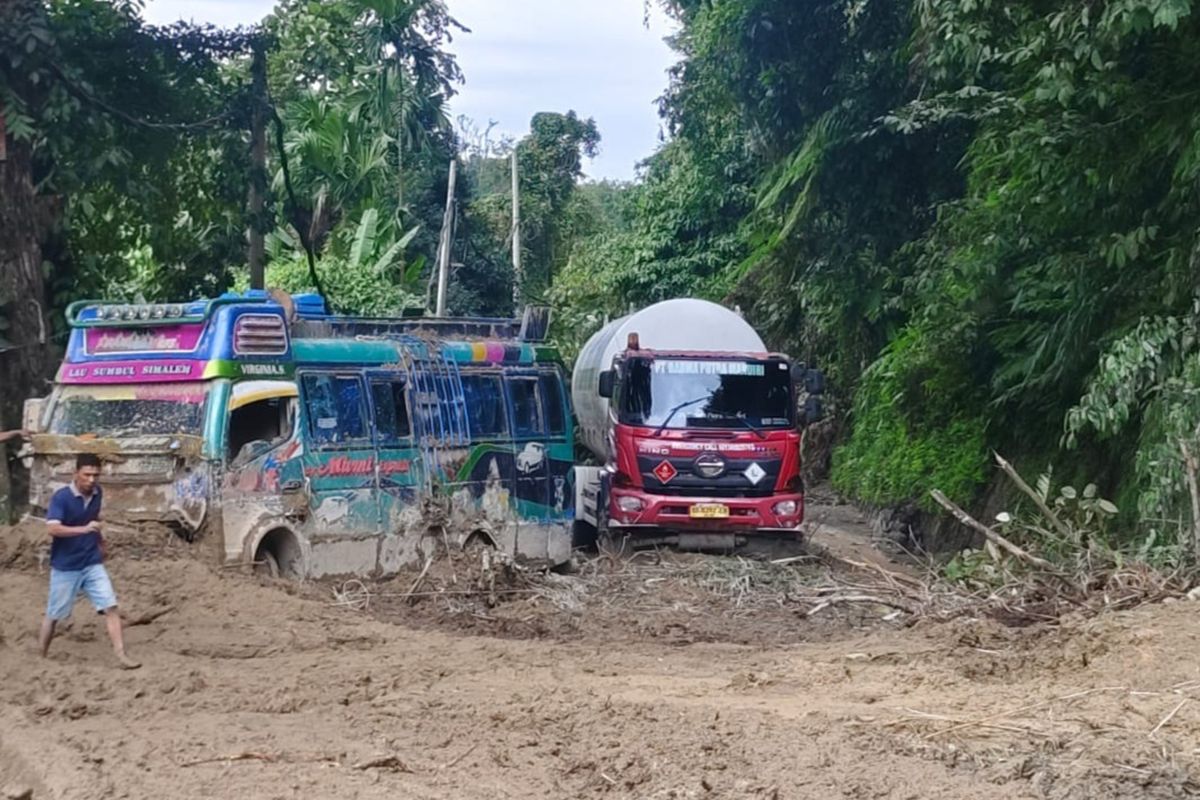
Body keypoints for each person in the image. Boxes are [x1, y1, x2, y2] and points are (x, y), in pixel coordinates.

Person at [39, 453, 140, 669]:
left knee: (110, 606)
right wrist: (83, 530)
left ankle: (121, 654)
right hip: (66, 565)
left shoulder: (97, 493)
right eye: (87, 475)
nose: (92, 480)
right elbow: (52, 528)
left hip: (91, 561)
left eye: (96, 475)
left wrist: (100, 541)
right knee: (54, 614)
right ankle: (41, 655)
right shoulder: (61, 498)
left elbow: (93, 519)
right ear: (76, 473)